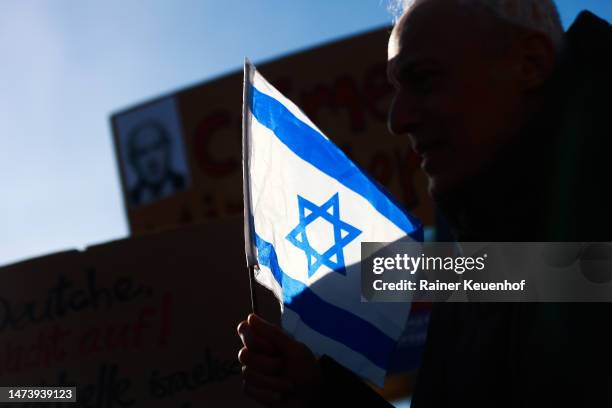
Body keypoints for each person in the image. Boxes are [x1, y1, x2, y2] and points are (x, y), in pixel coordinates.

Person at [237, 0, 612, 406]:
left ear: (530, 64)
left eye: (424, 80)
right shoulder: (474, 263)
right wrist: (319, 392)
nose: (398, 120)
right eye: (397, 89)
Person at [126, 120, 186, 206]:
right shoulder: (132, 199)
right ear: (133, 160)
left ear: (168, 148)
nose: (151, 159)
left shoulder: (185, 182)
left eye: (156, 147)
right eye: (142, 152)